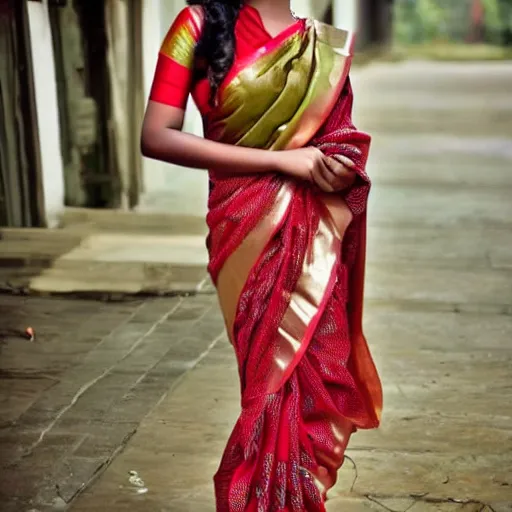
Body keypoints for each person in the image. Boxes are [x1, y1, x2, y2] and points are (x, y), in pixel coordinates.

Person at [141, 0, 383, 510]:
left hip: (312, 238)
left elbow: (339, 140)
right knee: (267, 385)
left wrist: (335, 168)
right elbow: (155, 136)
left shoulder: (321, 47)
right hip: (242, 233)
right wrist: (281, 162)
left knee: (313, 381)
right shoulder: (198, 25)